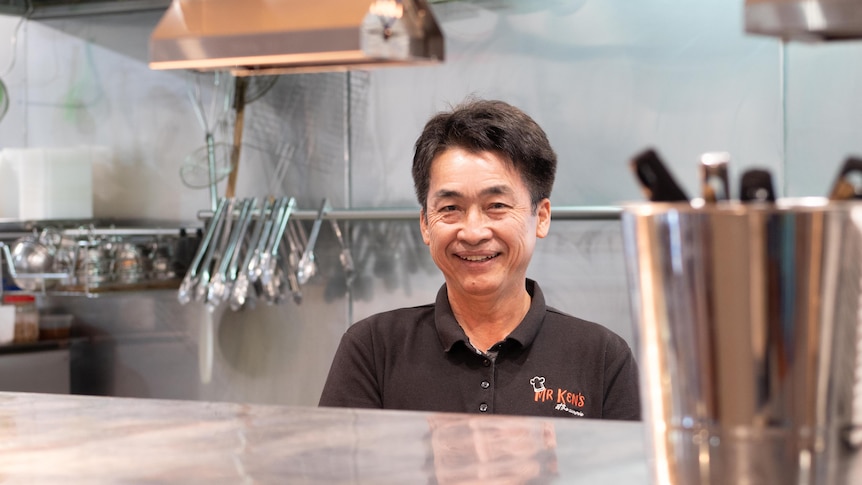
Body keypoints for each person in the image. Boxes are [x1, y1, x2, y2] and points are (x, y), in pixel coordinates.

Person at [318, 98, 640, 420]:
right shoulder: (373, 349)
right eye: (450, 208)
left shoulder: (602, 358)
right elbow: (334, 469)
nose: (472, 232)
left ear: (541, 217)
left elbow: (632, 471)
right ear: (425, 224)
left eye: (496, 205)